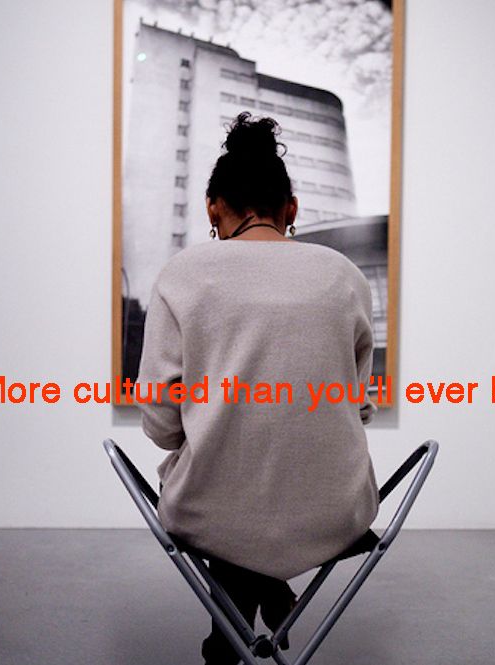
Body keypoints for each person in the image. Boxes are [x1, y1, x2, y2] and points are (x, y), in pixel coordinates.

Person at [135, 111, 379, 664]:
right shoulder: (344, 275)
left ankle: (229, 642)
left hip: (213, 511)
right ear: (292, 209)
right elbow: (358, 408)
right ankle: (267, 589)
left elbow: (162, 425)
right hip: (335, 512)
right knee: (256, 490)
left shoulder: (183, 274)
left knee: (226, 487)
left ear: (212, 208)